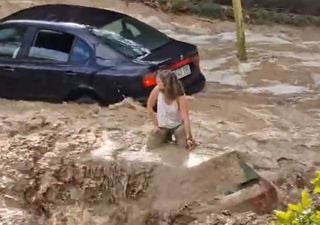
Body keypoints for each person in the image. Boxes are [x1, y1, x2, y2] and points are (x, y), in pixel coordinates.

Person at [146, 70, 196, 150]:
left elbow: (185, 118)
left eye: (159, 82)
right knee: (150, 148)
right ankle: (166, 138)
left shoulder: (180, 96)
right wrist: (155, 125)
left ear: (167, 83)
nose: (157, 84)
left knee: (184, 149)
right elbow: (149, 106)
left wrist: (188, 137)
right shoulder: (157, 89)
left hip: (177, 126)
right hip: (162, 126)